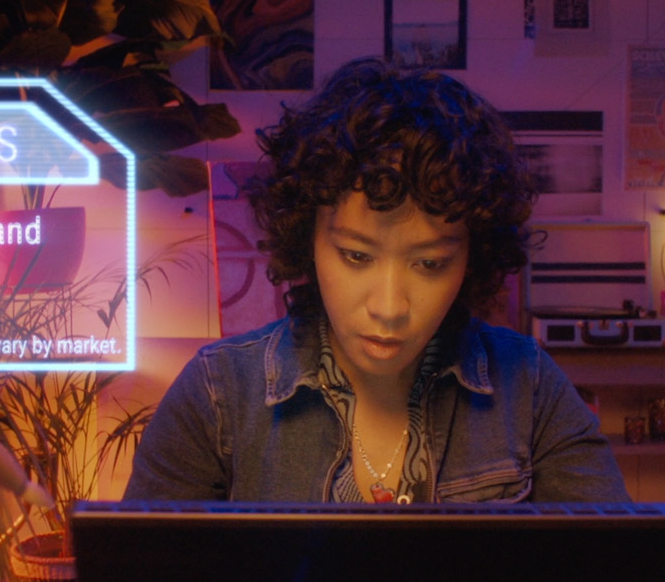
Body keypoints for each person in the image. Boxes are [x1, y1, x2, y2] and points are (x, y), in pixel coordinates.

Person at [124, 58, 628, 503]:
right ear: (308, 240)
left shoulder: (529, 387)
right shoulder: (217, 395)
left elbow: (616, 571)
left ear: (471, 260)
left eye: (429, 264)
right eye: (356, 256)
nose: (389, 307)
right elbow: (142, 578)